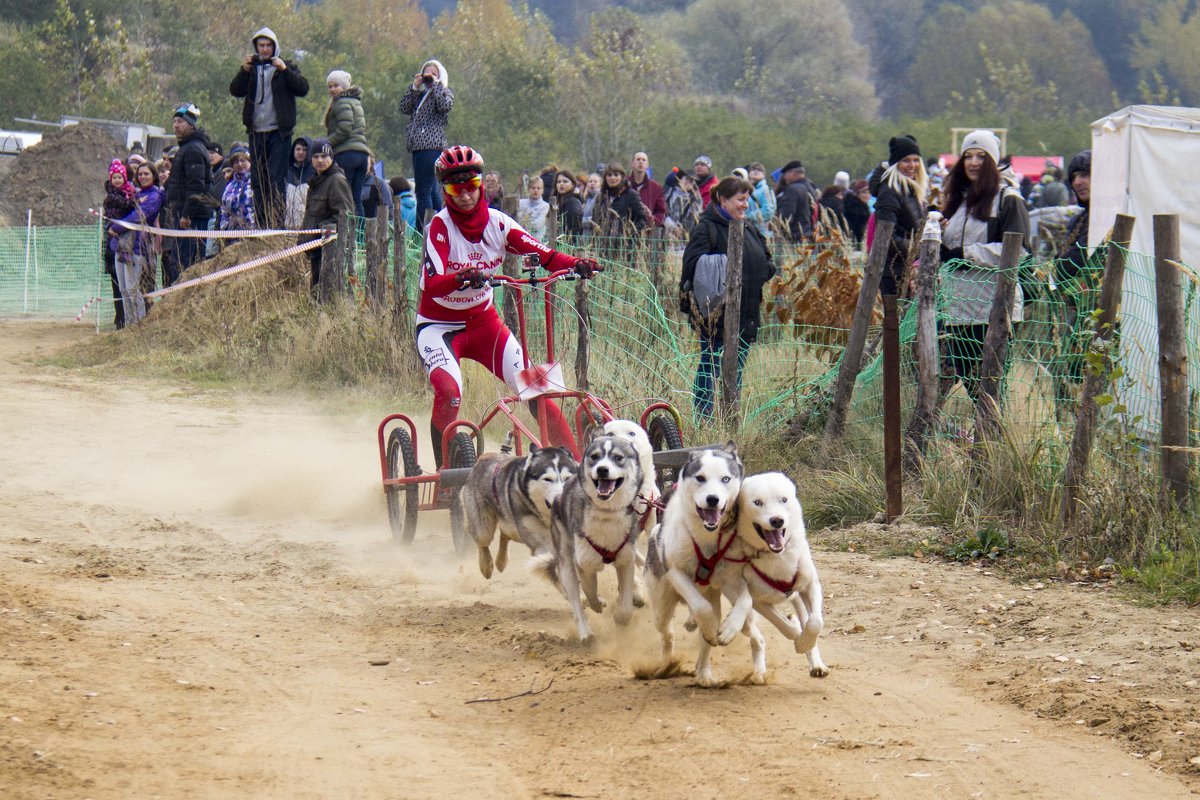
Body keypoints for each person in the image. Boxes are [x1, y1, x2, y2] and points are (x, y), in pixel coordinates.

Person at [415, 145, 598, 466]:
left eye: (471, 186)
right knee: (449, 391)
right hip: (438, 327)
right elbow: (433, 284)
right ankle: (445, 474)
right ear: (445, 191)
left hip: (485, 325)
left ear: (481, 185)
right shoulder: (441, 228)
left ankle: (577, 467)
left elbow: (546, 255)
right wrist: (461, 278)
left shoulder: (498, 224)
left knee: (537, 392)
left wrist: (577, 263)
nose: (465, 195)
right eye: (455, 188)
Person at [938, 129, 1031, 404]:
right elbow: (949, 248)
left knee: (989, 387)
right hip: (959, 309)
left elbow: (1019, 250)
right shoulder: (958, 202)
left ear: (993, 161)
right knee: (971, 382)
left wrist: (967, 253)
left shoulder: (1008, 199)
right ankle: (986, 440)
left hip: (993, 308)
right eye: (968, 156)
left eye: (982, 156)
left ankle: (993, 440)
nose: (974, 162)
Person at [680, 176, 776, 420]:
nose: (745, 205)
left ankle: (729, 416)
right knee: (710, 366)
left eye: (747, 200)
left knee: (736, 368)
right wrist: (725, 268)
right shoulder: (707, 229)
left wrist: (758, 270)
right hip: (715, 316)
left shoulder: (749, 228)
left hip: (747, 313)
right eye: (740, 200)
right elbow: (690, 266)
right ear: (723, 200)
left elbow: (767, 262)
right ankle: (704, 418)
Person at [229, 27, 309, 228]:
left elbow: (302, 88)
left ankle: (276, 223)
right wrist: (243, 71)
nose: (264, 50)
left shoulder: (285, 66)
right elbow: (235, 90)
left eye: (268, 45)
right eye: (261, 46)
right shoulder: (252, 68)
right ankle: (262, 224)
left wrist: (284, 70)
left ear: (275, 46)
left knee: (275, 179)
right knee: (258, 180)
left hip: (278, 132)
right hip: (256, 131)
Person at [1053, 149, 1099, 398]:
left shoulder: (1108, 217)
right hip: (1077, 311)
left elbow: (1081, 259)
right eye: (1074, 176)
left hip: (1103, 314)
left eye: (1086, 174)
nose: (1078, 182)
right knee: (1066, 375)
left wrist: (1058, 270)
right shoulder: (1080, 219)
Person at [870, 134, 928, 296]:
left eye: (916, 160)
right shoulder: (889, 191)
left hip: (908, 268)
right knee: (896, 319)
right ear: (896, 163)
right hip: (893, 272)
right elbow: (887, 237)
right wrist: (919, 248)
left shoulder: (912, 190)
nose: (912, 165)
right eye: (906, 160)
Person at [399, 58, 453, 230]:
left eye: (433, 73)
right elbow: (404, 107)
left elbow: (445, 106)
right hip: (417, 146)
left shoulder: (444, 92)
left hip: (430, 146)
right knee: (431, 190)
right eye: (426, 73)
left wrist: (436, 84)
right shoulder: (420, 94)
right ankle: (440, 224)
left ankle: (422, 230)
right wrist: (415, 87)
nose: (429, 77)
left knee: (422, 191)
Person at [108, 162, 165, 326]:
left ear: (153, 175)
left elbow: (138, 217)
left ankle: (138, 324)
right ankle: (129, 323)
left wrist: (117, 227)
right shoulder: (135, 194)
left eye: (146, 174)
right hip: (122, 246)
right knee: (124, 289)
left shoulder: (154, 196)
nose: (143, 177)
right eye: (140, 174)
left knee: (133, 289)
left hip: (137, 247)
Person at [162, 102, 213, 282]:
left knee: (188, 266)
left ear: (191, 124)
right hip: (184, 214)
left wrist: (187, 214)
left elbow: (196, 186)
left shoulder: (193, 149)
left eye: (180, 121)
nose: (176, 125)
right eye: (174, 121)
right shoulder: (187, 148)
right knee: (181, 263)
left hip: (191, 218)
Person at [300, 138, 354, 294]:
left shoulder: (336, 180)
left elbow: (345, 216)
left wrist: (321, 230)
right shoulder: (316, 182)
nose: (320, 160)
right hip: (317, 248)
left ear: (331, 157)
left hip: (331, 249)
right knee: (316, 294)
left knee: (327, 295)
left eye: (324, 156)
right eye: (316, 156)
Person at [324, 69, 369, 218]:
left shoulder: (341, 103)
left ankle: (347, 235)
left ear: (344, 86)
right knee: (356, 198)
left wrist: (327, 143)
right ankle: (361, 236)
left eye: (335, 85)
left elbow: (345, 129)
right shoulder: (356, 102)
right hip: (361, 155)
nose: (332, 89)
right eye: (330, 86)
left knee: (345, 198)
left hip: (346, 154)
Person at [102, 159, 135, 329]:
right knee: (119, 282)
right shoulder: (112, 197)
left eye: (119, 177)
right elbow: (126, 206)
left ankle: (126, 318)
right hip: (114, 238)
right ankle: (121, 318)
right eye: (114, 177)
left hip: (127, 239)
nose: (117, 180)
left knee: (127, 282)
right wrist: (133, 201)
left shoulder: (128, 192)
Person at [592, 162, 649, 240]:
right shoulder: (601, 197)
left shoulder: (631, 195)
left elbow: (642, 219)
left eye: (616, 174)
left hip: (625, 245)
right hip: (603, 244)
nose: (612, 178)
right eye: (609, 175)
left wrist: (628, 235)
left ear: (622, 177)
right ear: (605, 178)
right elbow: (595, 220)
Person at [219, 144, 255, 241]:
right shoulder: (229, 187)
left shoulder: (257, 183)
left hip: (254, 234)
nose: (239, 164)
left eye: (242, 161)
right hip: (232, 236)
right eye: (236, 162)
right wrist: (224, 230)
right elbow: (224, 211)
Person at [776, 160, 815, 242]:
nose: (784, 177)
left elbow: (787, 214)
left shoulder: (792, 189)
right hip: (808, 234)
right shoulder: (810, 187)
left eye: (785, 174)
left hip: (796, 236)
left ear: (792, 173)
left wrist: (777, 225)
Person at [628, 151, 667, 228]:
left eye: (644, 160)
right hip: (625, 230)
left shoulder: (656, 187)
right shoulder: (624, 184)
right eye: (638, 159)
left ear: (647, 165)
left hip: (648, 231)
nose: (641, 162)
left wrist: (652, 219)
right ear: (632, 164)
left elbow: (661, 212)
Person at [284, 136, 314, 229]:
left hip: (306, 226)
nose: (301, 152)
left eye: (304, 150)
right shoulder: (287, 171)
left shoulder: (314, 172)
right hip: (287, 226)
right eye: (298, 149)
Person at [665, 169, 702, 238]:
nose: (688, 182)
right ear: (680, 179)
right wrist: (669, 224)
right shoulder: (669, 191)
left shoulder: (696, 200)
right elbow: (662, 210)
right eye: (686, 179)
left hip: (683, 236)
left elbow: (690, 220)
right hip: (665, 230)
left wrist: (679, 230)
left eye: (691, 181)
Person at [745, 162, 776, 238]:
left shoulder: (765, 190)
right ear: (749, 174)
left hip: (762, 234)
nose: (756, 171)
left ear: (764, 175)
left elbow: (768, 211)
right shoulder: (748, 189)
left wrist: (748, 217)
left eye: (759, 170)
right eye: (753, 169)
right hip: (750, 231)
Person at [517, 174, 549, 240]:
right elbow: (517, 221)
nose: (536, 190)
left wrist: (525, 223)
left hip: (538, 240)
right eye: (533, 188)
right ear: (528, 189)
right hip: (520, 238)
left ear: (542, 190)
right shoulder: (520, 203)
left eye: (538, 188)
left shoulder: (545, 206)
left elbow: (538, 225)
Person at [553, 171, 584, 236]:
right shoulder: (558, 200)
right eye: (558, 182)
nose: (561, 184)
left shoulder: (573, 202)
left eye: (565, 181)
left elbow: (573, 228)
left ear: (572, 184)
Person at [843, 179, 871, 249]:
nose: (867, 195)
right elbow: (856, 230)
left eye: (869, 193)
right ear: (857, 193)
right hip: (854, 244)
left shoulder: (863, 206)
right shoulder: (855, 208)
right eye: (864, 193)